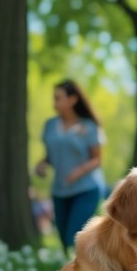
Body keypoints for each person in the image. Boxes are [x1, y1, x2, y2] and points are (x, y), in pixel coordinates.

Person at [35, 80, 108, 252]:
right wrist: (42, 165)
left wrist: (79, 171)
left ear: (73, 99)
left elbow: (97, 160)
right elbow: (51, 156)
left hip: (86, 189)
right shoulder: (50, 125)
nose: (55, 103)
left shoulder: (89, 127)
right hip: (60, 190)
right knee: (63, 240)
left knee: (72, 237)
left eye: (58, 98)